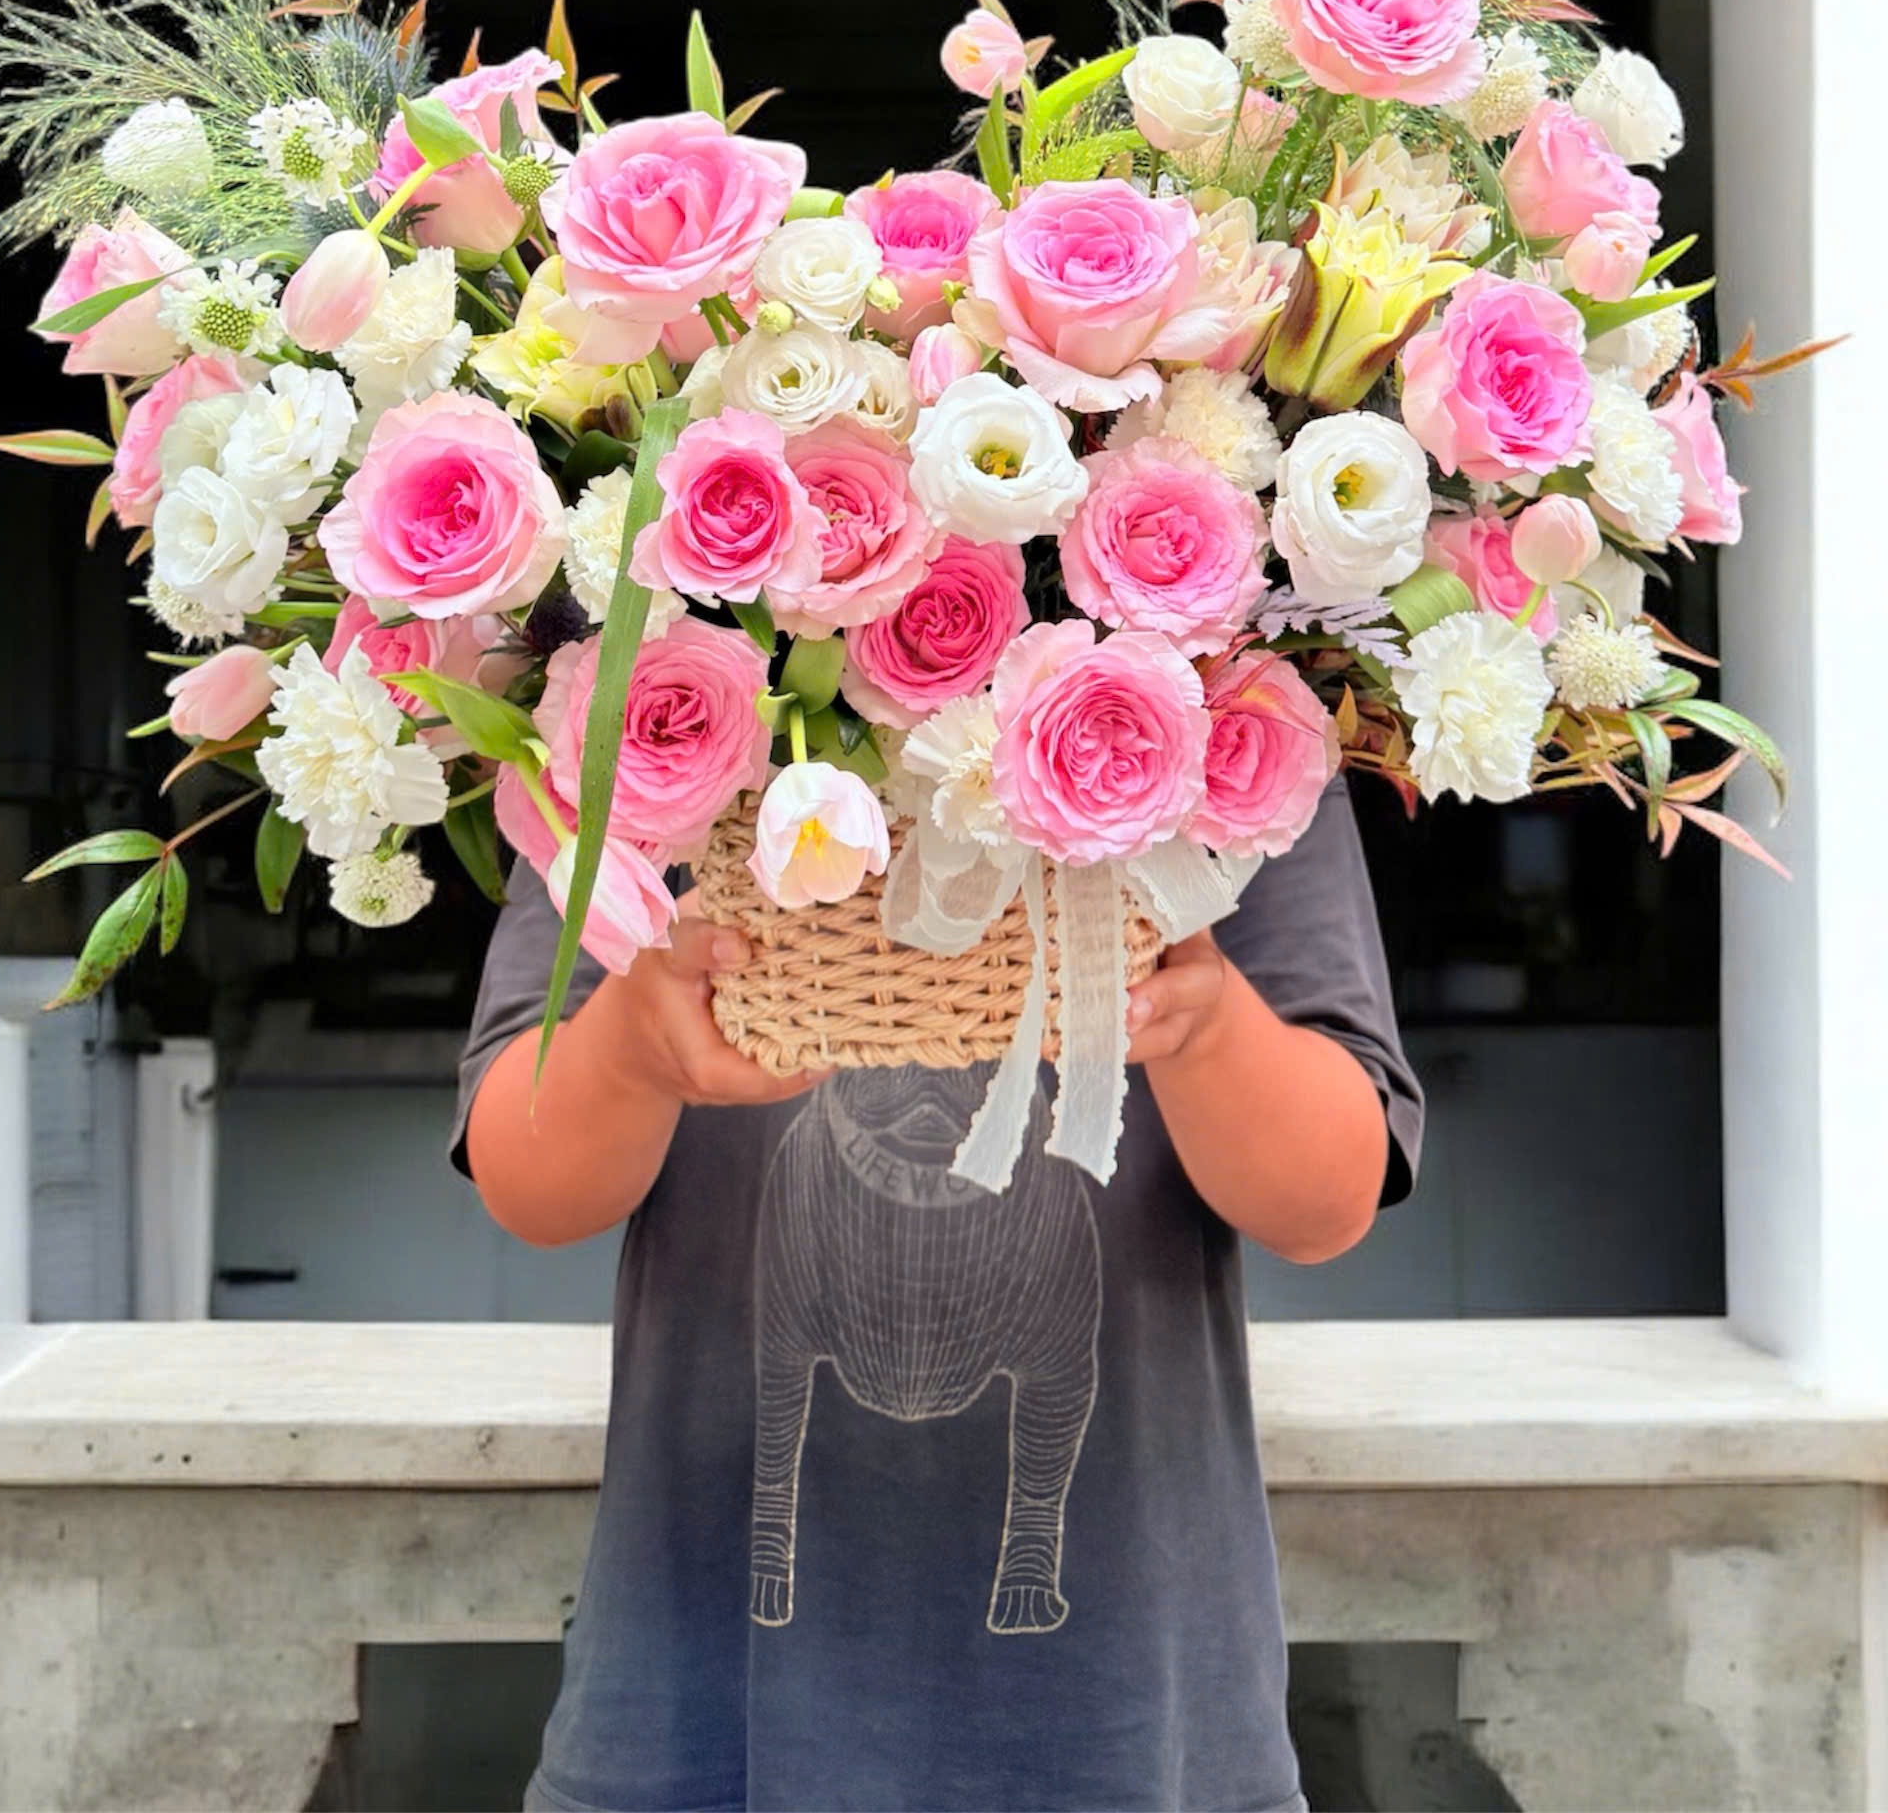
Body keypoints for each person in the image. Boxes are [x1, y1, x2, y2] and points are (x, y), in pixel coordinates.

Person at [450, 775, 1421, 1813]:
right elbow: (531, 1182)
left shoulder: (1233, 741)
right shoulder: (649, 718)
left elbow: (1327, 1199)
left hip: (1133, 1708)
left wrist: (1206, 1024)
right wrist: (636, 1043)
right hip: (702, 1696)